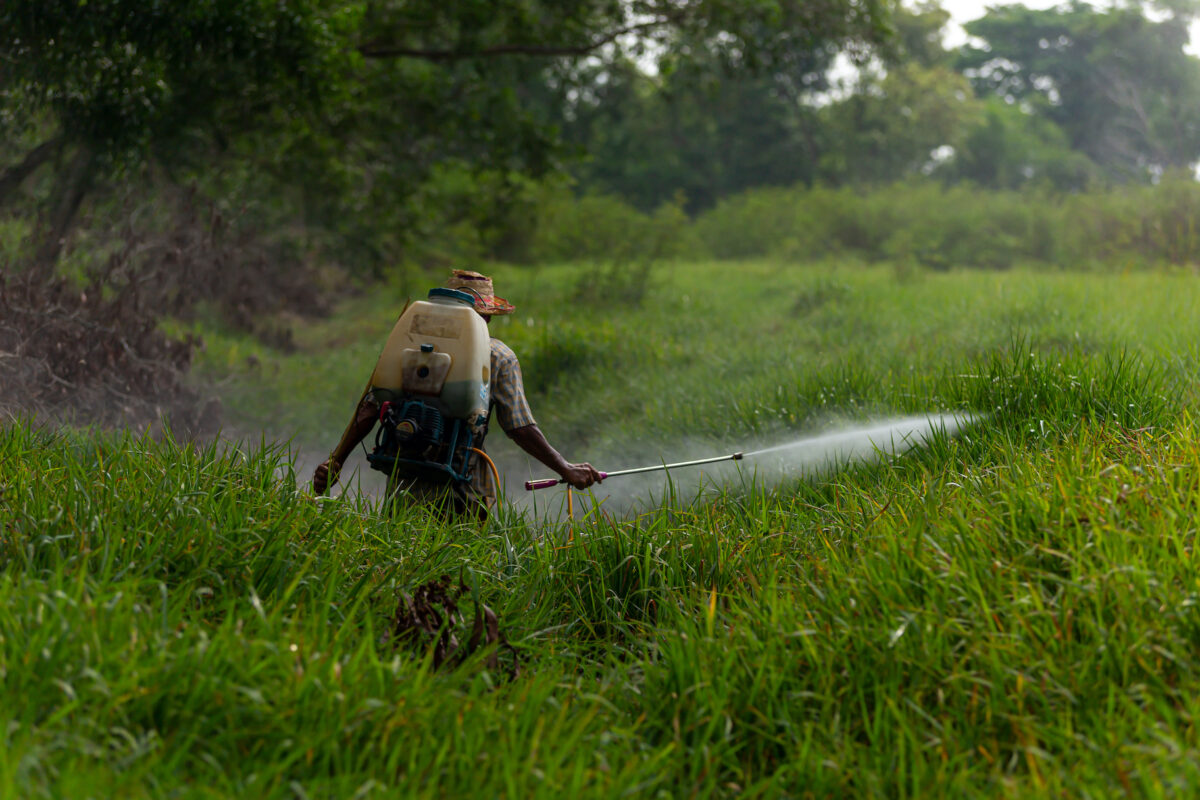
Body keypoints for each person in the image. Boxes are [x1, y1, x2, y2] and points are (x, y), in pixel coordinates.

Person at [312, 269, 601, 519]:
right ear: (486, 317)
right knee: (458, 574)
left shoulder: (405, 346)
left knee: (401, 566)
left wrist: (336, 460)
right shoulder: (498, 355)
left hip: (404, 481)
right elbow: (520, 427)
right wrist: (565, 468)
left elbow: (371, 407)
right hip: (464, 489)